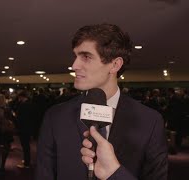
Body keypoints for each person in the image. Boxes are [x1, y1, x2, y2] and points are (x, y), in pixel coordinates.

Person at [36, 24, 168, 180]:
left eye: (86, 56)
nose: (74, 66)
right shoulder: (55, 116)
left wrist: (115, 173)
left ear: (114, 65)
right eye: (76, 56)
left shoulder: (150, 121)